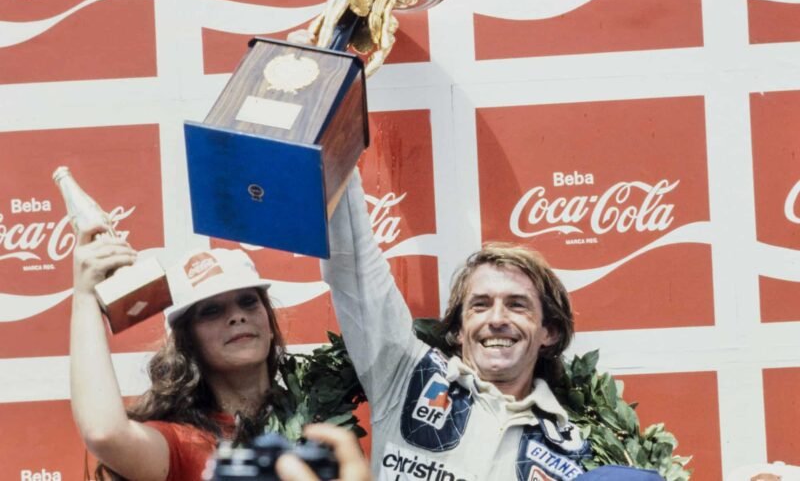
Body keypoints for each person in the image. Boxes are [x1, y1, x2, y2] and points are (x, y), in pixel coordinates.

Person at [322, 170, 592, 481]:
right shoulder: (407, 377)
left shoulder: (569, 450)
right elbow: (353, 266)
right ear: (458, 330)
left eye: (517, 305)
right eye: (480, 305)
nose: (497, 319)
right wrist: (339, 145)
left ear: (550, 332)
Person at [70, 225, 284, 481]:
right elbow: (104, 433)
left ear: (269, 323)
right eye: (211, 311)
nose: (237, 316)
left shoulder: (321, 417)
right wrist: (84, 297)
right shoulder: (183, 445)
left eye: (248, 301)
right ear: (187, 342)